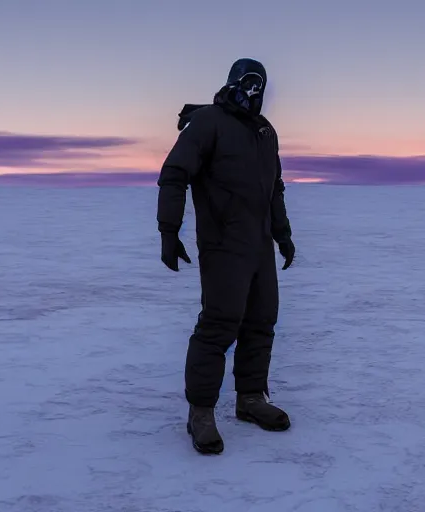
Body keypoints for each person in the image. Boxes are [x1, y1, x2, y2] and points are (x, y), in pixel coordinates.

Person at [155, 58, 297, 455]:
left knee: (261, 321)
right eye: (247, 83)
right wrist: (169, 231)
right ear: (233, 82)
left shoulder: (266, 132)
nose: (254, 92)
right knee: (218, 326)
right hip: (222, 244)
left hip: (260, 245)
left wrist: (282, 235)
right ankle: (200, 412)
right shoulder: (209, 123)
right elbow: (174, 174)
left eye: (260, 86)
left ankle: (251, 399)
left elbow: (276, 189)